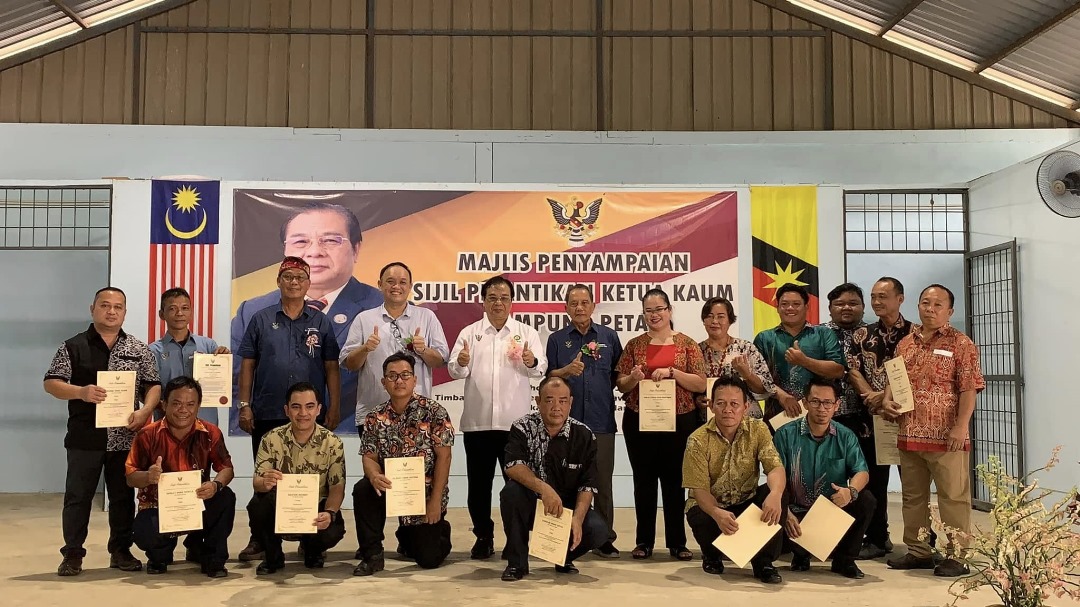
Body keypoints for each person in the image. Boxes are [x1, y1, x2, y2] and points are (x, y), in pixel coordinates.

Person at [231, 201, 382, 432]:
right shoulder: (251, 312)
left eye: (330, 240)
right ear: (285, 251)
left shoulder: (380, 308)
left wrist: (335, 416)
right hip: (268, 421)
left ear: (356, 249)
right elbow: (237, 379)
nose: (314, 252)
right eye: (301, 241)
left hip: (338, 430)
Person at [44, 286, 161, 576]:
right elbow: (51, 383)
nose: (111, 311)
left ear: (124, 312)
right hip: (85, 437)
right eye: (105, 305)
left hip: (125, 437)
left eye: (118, 307)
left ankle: (120, 551)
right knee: (78, 497)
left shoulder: (138, 349)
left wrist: (145, 411)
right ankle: (72, 554)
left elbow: (153, 386)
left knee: (122, 498)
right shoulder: (73, 346)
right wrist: (81, 392)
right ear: (93, 309)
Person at [236, 256, 341, 561]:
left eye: (300, 278)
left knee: (311, 480)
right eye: (288, 277)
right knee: (267, 478)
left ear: (308, 284)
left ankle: (310, 535)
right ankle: (261, 540)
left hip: (308, 415)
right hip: (268, 411)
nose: (294, 282)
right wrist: (244, 405)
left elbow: (331, 367)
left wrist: (333, 406)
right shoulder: (260, 319)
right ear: (279, 282)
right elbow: (248, 364)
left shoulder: (320, 322)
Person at [884, 284, 984, 578]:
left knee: (953, 497)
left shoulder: (961, 344)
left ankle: (957, 555)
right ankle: (919, 551)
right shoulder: (905, 343)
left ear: (950, 311)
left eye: (938, 304)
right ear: (917, 306)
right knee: (913, 497)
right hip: (909, 434)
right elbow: (895, 379)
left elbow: (969, 388)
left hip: (947, 437)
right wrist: (887, 400)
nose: (930, 309)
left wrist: (961, 427)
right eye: (925, 303)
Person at [447, 275, 547, 560]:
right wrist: (461, 362)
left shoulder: (526, 333)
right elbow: (454, 369)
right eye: (492, 298)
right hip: (477, 425)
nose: (498, 303)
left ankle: (516, 539)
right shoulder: (470, 333)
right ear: (483, 302)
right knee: (478, 487)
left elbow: (540, 369)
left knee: (517, 487)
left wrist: (532, 361)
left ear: (512, 302)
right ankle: (483, 536)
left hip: (515, 428)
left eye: (504, 298)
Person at [615, 288, 706, 561]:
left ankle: (677, 543)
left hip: (680, 420)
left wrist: (673, 373)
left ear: (669, 310)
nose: (654, 315)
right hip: (640, 420)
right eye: (649, 310)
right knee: (643, 481)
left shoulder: (688, 344)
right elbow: (621, 385)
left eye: (659, 309)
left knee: (675, 481)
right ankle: (644, 541)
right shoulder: (634, 345)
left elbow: (700, 383)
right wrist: (633, 378)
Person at [352, 353, 455, 576]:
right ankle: (372, 555)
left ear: (414, 380)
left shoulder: (435, 412)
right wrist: (374, 475)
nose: (399, 380)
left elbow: (444, 458)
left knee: (428, 559)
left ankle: (430, 531)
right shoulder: (374, 417)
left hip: (425, 494)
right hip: (389, 488)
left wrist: (435, 501)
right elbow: (369, 457)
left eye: (405, 375)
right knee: (363, 489)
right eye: (392, 376)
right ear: (383, 382)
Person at [499, 376, 608, 581]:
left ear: (571, 403)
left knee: (598, 530)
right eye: (549, 400)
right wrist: (544, 489)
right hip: (532, 504)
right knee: (511, 493)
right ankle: (517, 564)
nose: (556, 407)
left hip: (565, 510)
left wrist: (577, 519)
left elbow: (588, 485)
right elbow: (513, 466)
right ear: (538, 401)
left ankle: (562, 557)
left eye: (563, 401)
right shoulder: (522, 427)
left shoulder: (584, 435)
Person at [125, 377, 235, 577]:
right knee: (144, 530)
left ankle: (210, 557)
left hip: (197, 502)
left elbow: (226, 468)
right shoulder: (147, 435)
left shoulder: (211, 432)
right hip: (158, 507)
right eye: (176, 403)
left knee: (225, 496)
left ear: (198, 406)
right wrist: (148, 476)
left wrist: (215, 485)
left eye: (190, 404)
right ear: (164, 404)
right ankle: (159, 555)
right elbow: (130, 477)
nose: (183, 410)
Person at [682, 376, 787, 584]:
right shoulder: (697, 440)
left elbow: (775, 467)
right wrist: (716, 512)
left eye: (734, 404)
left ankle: (763, 562)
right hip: (714, 506)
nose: (727, 410)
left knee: (777, 493)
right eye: (721, 403)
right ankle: (712, 555)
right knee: (698, 511)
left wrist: (775, 495)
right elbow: (699, 490)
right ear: (711, 406)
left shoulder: (758, 429)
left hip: (746, 501)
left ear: (746, 407)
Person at [544, 283, 623, 557]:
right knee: (562, 481)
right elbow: (548, 377)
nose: (579, 308)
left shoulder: (609, 337)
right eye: (574, 303)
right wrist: (566, 370)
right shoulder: (556, 339)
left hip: (602, 421)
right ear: (565, 307)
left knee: (602, 482)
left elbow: (618, 376)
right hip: (564, 425)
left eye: (584, 302)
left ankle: (604, 538)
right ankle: (560, 537)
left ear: (593, 305)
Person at [773, 377, 874, 579]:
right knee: (768, 496)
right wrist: (786, 513)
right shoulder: (784, 435)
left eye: (828, 403)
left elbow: (861, 472)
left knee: (866, 500)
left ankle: (845, 561)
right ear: (805, 403)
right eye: (815, 402)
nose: (821, 408)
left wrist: (850, 491)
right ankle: (800, 555)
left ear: (837, 405)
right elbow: (775, 476)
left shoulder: (846, 436)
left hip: (830, 512)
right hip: (795, 514)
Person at [248, 382, 347, 574]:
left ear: (319, 409)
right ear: (287, 410)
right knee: (258, 505)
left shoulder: (333, 443)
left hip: (316, 507)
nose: (303, 413)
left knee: (333, 528)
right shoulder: (270, 439)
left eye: (309, 406)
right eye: (296, 407)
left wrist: (330, 513)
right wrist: (265, 482)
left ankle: (313, 551)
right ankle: (273, 557)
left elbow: (337, 487)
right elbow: (257, 482)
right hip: (281, 507)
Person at [848, 276, 915, 559]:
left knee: (913, 484)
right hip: (870, 419)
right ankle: (877, 538)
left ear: (900, 299)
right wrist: (873, 397)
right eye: (873, 297)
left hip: (907, 421)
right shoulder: (861, 335)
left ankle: (921, 542)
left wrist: (886, 398)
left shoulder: (916, 334)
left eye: (883, 296)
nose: (876, 302)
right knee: (875, 483)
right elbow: (853, 370)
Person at [340, 262, 448, 437]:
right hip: (374, 413)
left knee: (416, 457)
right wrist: (365, 349)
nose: (396, 286)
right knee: (374, 457)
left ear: (410, 286)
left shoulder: (426, 317)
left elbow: (441, 360)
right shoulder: (364, 319)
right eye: (390, 281)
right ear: (380, 284)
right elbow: (350, 364)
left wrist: (423, 350)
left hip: (417, 414)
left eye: (403, 282)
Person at [753, 283, 845, 425]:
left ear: (806, 307)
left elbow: (838, 371)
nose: (790, 308)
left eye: (796, 304)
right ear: (777, 308)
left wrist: (804, 361)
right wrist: (781, 395)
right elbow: (757, 377)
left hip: (821, 414)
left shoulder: (824, 334)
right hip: (778, 416)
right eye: (784, 304)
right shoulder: (764, 338)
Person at [149, 287, 230, 424]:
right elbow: (145, 391)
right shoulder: (152, 351)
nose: (179, 313)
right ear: (162, 314)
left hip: (205, 422)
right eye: (172, 309)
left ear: (191, 313)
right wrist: (162, 404)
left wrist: (224, 361)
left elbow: (223, 383)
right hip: (168, 425)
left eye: (185, 308)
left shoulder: (209, 346)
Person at [698, 296, 774, 417]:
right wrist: (697, 400)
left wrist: (747, 375)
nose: (714, 321)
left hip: (746, 418)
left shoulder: (746, 349)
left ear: (730, 320)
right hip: (710, 418)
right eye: (709, 316)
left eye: (720, 316)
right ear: (704, 320)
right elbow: (692, 389)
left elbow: (766, 389)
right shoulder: (696, 351)